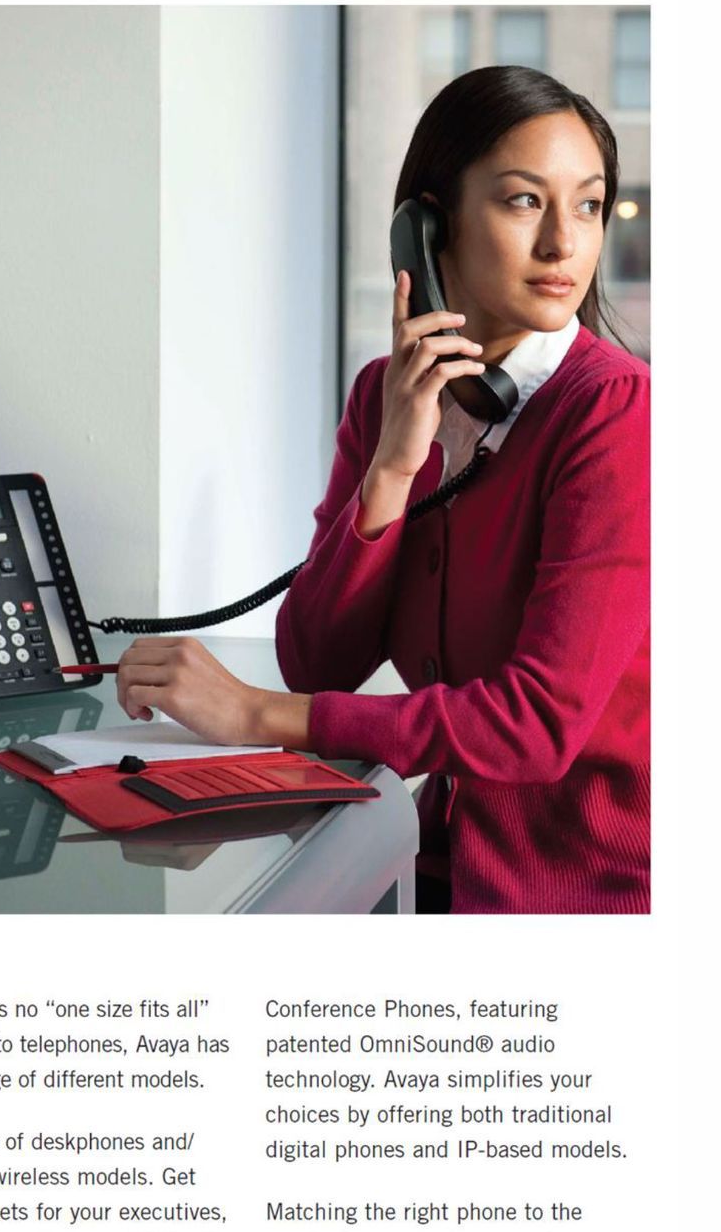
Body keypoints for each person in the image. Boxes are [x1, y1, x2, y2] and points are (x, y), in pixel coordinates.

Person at [115, 66, 650, 913]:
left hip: (590, 890)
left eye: (587, 204)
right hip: (439, 863)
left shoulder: (615, 413)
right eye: (522, 201)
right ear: (425, 228)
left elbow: (535, 727)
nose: (564, 245)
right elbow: (317, 659)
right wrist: (394, 468)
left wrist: (256, 715)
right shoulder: (386, 395)